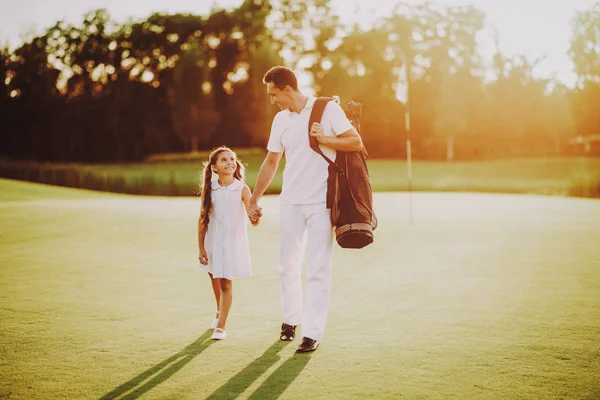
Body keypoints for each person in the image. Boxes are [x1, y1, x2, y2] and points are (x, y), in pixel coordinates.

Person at [248, 66, 363, 353]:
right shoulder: (280, 120)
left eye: (274, 94)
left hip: (322, 202)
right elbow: (272, 162)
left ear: (288, 89)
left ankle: (311, 333)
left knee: (317, 269)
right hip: (290, 202)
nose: (272, 99)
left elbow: (355, 142)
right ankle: (290, 321)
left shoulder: (327, 109)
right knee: (287, 266)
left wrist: (326, 139)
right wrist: (254, 199)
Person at [198, 146, 259, 340]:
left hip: (231, 243)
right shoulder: (210, 188)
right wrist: (201, 247)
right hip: (212, 241)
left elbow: (253, 218)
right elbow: (202, 219)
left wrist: (256, 215)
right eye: (224, 160)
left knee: (225, 283)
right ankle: (219, 311)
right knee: (214, 277)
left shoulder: (241, 188)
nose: (230, 162)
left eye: (232, 159)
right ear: (214, 167)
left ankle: (221, 327)